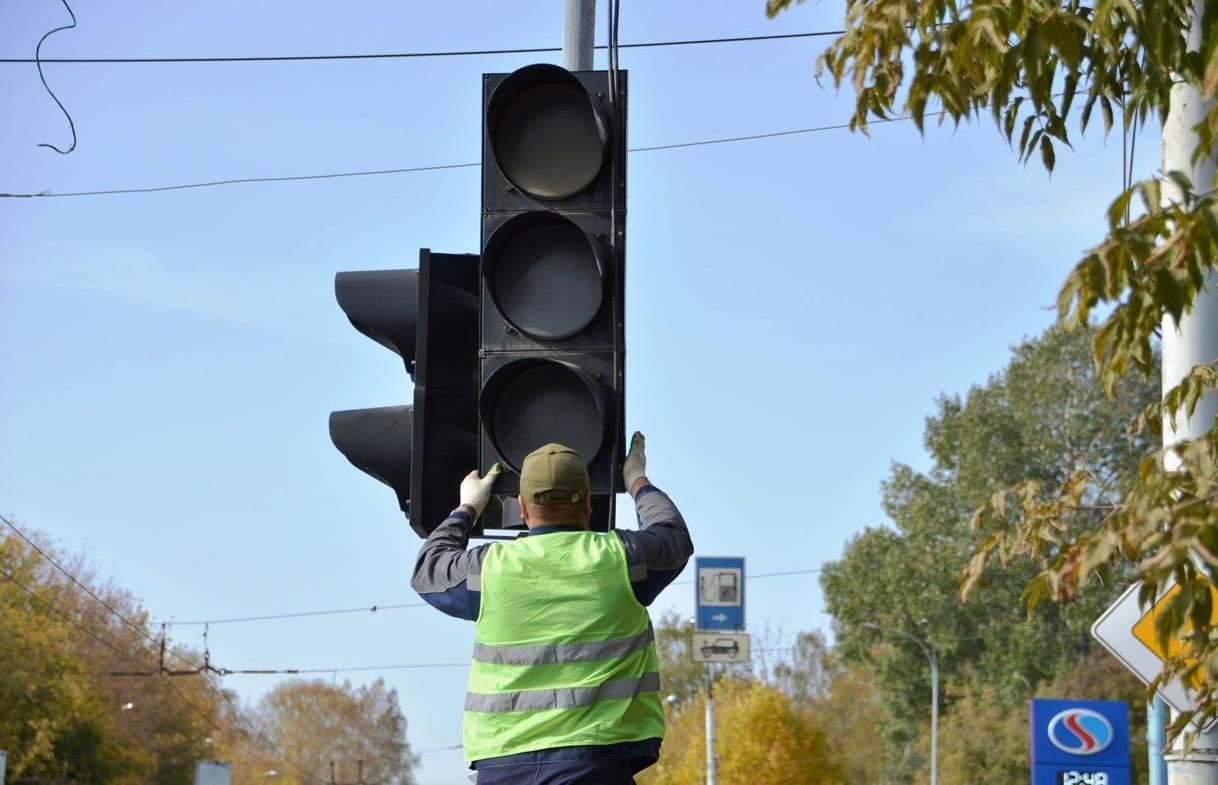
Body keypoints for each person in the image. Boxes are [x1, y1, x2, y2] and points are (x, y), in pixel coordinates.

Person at [411, 432, 693, 784]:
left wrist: (467, 508)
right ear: (589, 502)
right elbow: (673, 537)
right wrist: (637, 479)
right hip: (596, 763)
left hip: (504, 765)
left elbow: (429, 571)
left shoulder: (490, 570)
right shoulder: (623, 558)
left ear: (523, 507)